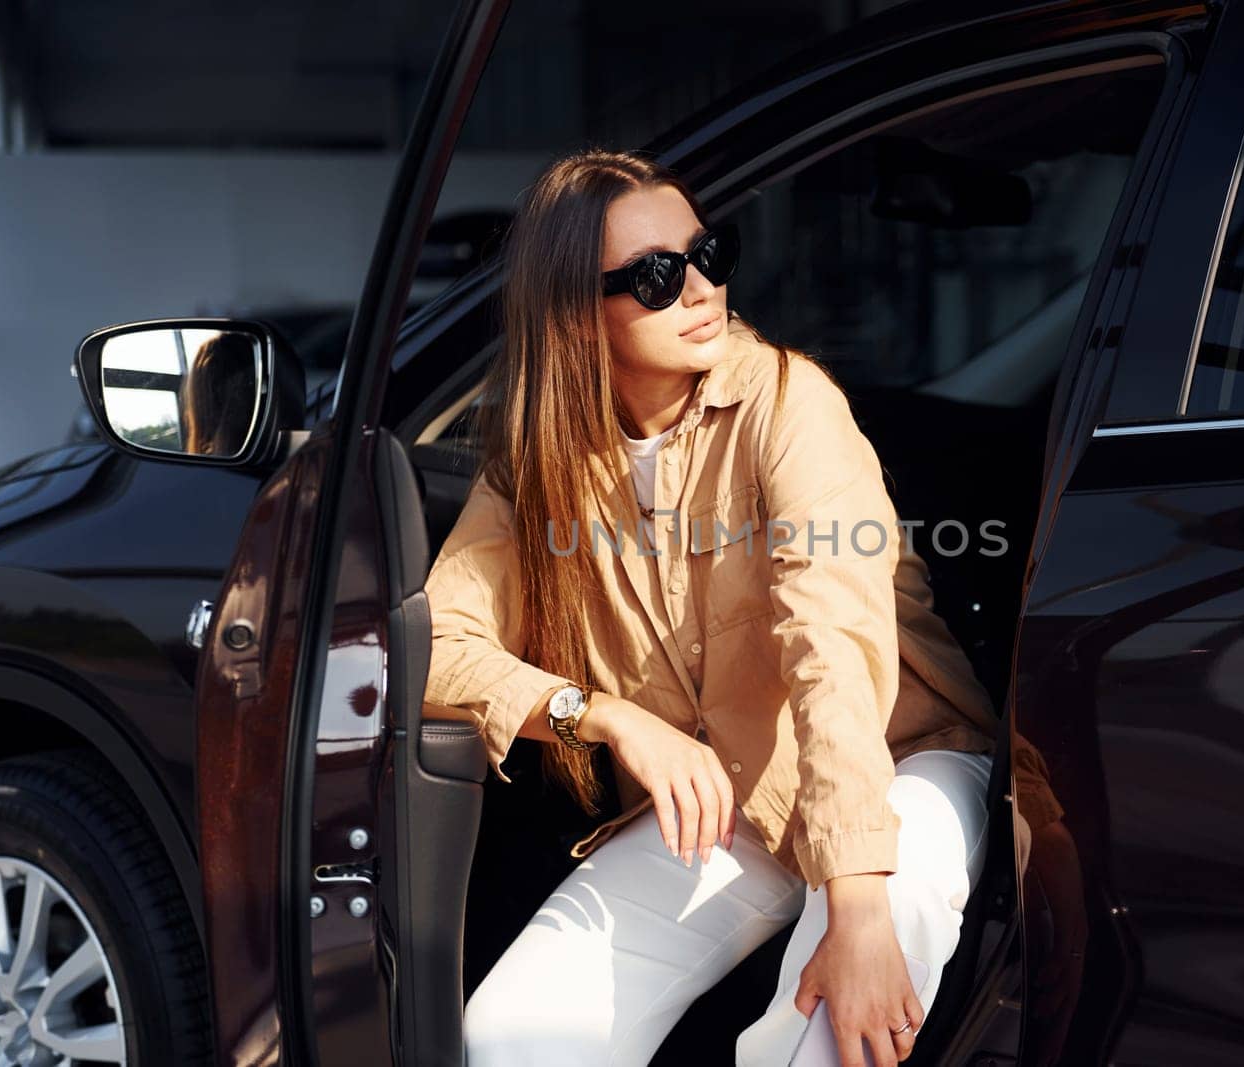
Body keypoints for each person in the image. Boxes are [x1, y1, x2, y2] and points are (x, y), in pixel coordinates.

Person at [422, 146, 1060, 1066]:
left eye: (707, 255)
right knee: (516, 1036)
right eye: (655, 274)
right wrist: (601, 717)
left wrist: (859, 902)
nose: (699, 290)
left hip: (899, 760)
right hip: (737, 792)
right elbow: (440, 640)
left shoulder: (789, 403)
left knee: (828, 1032)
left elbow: (829, 649)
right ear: (576, 313)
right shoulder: (539, 461)